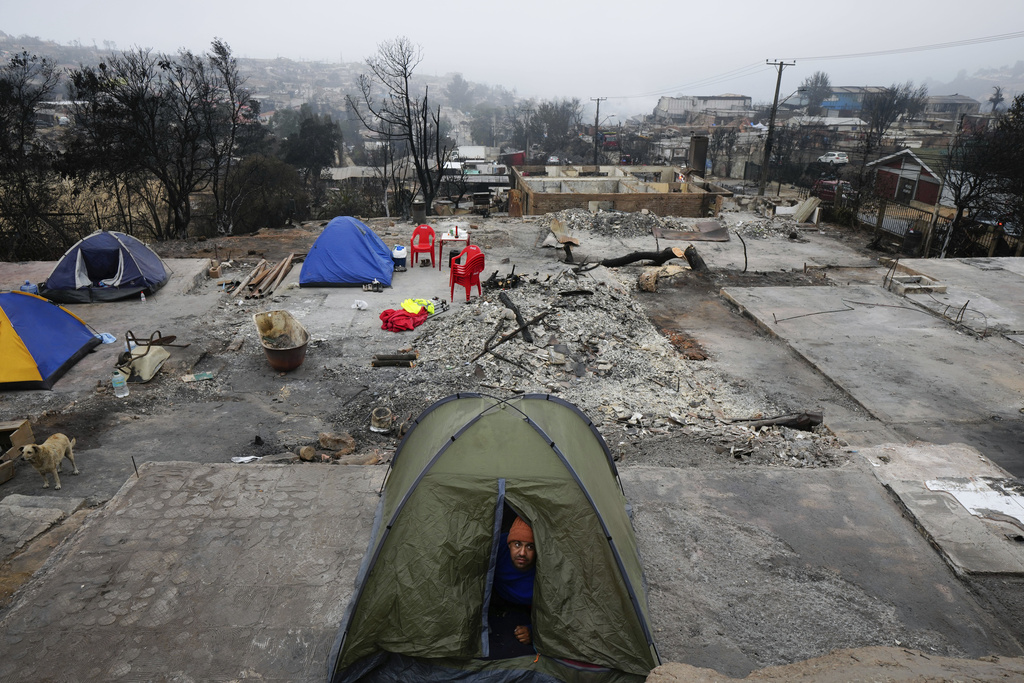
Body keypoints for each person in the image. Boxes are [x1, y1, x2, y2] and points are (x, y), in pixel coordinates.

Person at [489, 517, 536, 654]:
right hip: (497, 600)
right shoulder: (496, 548)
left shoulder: (546, 569)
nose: (522, 553)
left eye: (530, 546)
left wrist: (533, 631)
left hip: (529, 610)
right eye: (517, 544)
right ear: (509, 544)